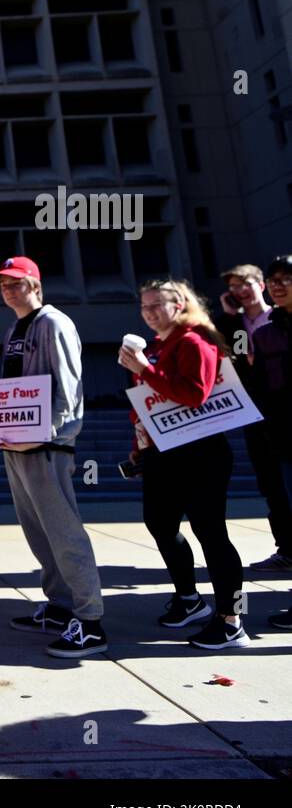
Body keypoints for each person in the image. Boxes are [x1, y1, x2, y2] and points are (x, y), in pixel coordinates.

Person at [0, 257, 107, 658]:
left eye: (17, 283)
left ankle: (91, 620)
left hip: (47, 445)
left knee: (64, 532)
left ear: (36, 284)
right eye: (4, 284)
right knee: (39, 533)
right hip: (17, 445)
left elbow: (68, 385)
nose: (9, 290)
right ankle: (62, 607)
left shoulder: (53, 323)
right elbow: (24, 388)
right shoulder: (16, 327)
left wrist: (55, 434)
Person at [119, 279, 248, 650]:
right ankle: (189, 599)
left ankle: (231, 619)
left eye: (157, 305)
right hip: (164, 451)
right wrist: (139, 443)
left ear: (179, 304)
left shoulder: (195, 340)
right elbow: (150, 400)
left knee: (211, 532)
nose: (150, 313)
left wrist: (145, 368)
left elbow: (194, 394)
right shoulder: (158, 345)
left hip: (201, 452)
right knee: (159, 522)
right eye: (144, 307)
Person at [214, 264, 292, 573]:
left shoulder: (278, 317)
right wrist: (229, 316)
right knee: (272, 484)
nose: (239, 291)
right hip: (257, 412)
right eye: (233, 287)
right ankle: (286, 547)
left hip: (281, 407)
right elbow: (226, 355)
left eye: (245, 283)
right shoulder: (236, 323)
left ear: (260, 284)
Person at [250, 256, 292, 628]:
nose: (278, 285)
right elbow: (261, 387)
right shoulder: (264, 333)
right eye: (273, 280)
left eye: (287, 279)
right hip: (284, 438)